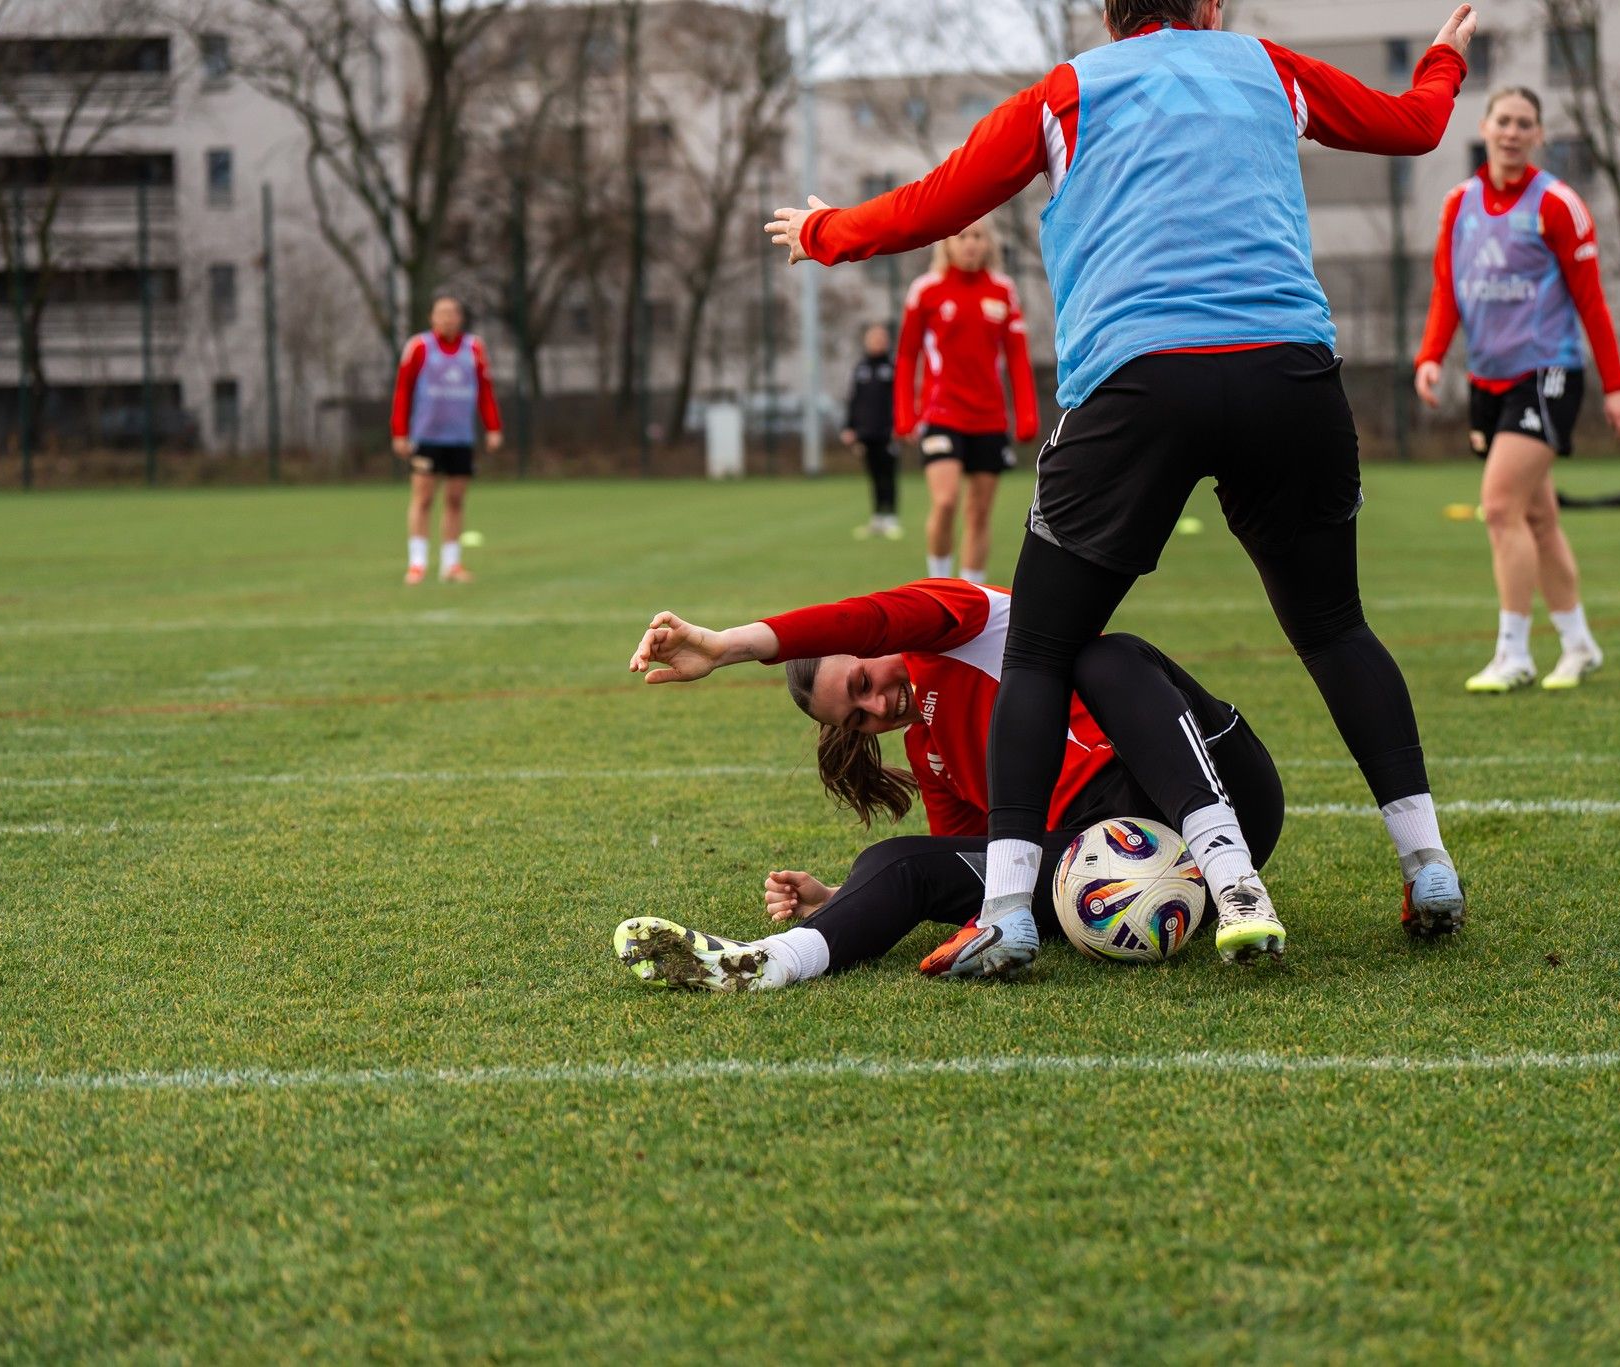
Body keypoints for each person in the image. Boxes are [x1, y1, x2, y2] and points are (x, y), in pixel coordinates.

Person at [766, 0, 1478, 979]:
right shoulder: (1264, 66)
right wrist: (1441, 58)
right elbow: (1415, 126)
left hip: (1136, 382)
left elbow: (936, 203)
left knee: (1045, 649)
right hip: (1289, 373)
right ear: (1211, 7)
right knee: (1332, 626)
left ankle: (1009, 911)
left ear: (1108, 14)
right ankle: (1426, 859)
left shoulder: (1068, 90)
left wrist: (823, 230)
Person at [612, 577, 1286, 989]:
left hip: (1215, 788)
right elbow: (970, 867)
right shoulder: (928, 751)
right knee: (895, 860)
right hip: (1104, 875)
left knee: (1113, 656)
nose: (877, 706)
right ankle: (768, 963)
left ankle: (1236, 880)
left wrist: (729, 645)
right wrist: (843, 898)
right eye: (857, 717)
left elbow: (868, 617)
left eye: (862, 682)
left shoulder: (962, 625)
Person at [1414, 86, 1620, 693]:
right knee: (1538, 518)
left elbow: (1592, 301)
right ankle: (1579, 643)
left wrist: (1617, 387)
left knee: (1500, 507)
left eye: (1525, 124)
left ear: (1538, 135)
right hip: (1487, 380)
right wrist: (1431, 355)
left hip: (1547, 376)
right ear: (1484, 127)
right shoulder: (1459, 204)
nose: (1512, 132)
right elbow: (1445, 288)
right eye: (1503, 121)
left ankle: (1514, 654)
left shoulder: (1559, 204)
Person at [895, 221, 1040, 582]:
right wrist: (905, 414)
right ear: (947, 243)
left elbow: (1018, 358)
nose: (971, 244)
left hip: (989, 419)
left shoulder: (1003, 291)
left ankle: (971, 600)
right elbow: (906, 355)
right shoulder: (925, 290)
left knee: (978, 513)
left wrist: (1026, 415)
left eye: (978, 236)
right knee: (945, 502)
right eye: (962, 236)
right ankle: (939, 587)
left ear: (988, 243)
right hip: (941, 413)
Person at [391, 294, 502, 585]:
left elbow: (485, 390)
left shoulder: (474, 348)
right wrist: (399, 432)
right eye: (441, 313)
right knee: (423, 498)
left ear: (460, 318)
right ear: (432, 318)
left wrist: (493, 427)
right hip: (427, 436)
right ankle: (417, 564)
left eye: (452, 313)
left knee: (455, 499)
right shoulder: (419, 347)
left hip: (460, 438)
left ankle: (451, 565)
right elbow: (403, 391)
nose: (447, 318)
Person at [841, 323, 902, 540]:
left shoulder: (894, 367)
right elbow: (852, 400)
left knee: (889, 475)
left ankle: (892, 518)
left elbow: (901, 399)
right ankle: (877, 518)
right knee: (874, 475)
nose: (877, 342)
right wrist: (849, 427)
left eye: (881, 338)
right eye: (873, 338)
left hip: (888, 432)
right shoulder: (859, 369)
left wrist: (900, 425)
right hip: (866, 433)